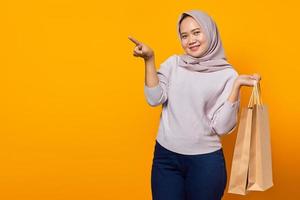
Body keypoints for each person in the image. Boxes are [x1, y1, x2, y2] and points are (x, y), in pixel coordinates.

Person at [129, 9, 261, 200]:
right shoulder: (173, 64)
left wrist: (237, 86)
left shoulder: (227, 75)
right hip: (166, 159)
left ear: (210, 32)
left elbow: (222, 127)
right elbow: (154, 99)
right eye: (184, 35)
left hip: (205, 163)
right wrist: (149, 60)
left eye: (197, 32)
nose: (191, 40)